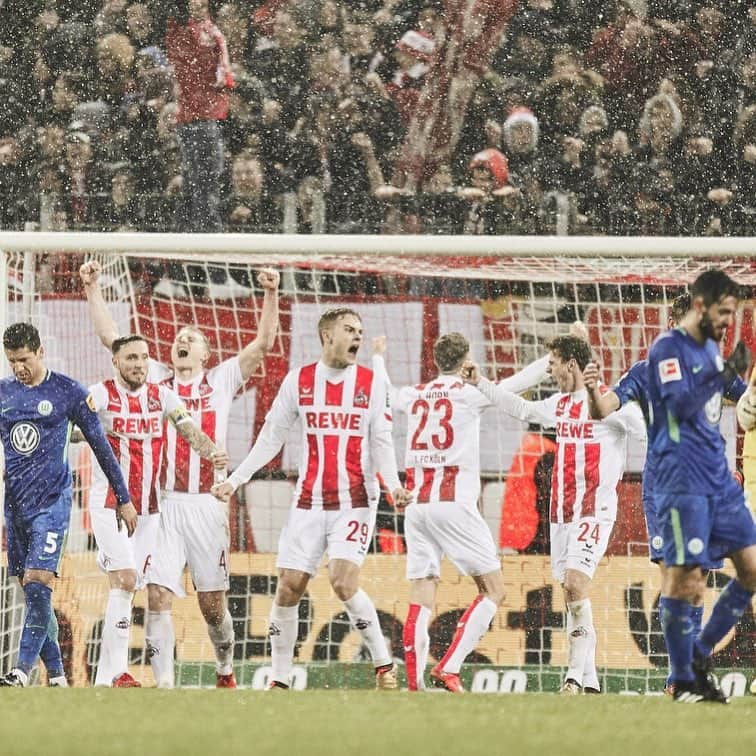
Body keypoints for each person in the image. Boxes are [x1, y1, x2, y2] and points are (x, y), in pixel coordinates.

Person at [79, 260, 279, 688]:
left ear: (207, 354)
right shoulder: (157, 380)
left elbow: (262, 345)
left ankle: (225, 668)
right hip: (163, 505)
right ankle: (165, 687)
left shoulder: (221, 380)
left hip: (206, 506)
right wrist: (93, 288)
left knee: (212, 605)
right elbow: (111, 339)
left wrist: (270, 293)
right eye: (178, 338)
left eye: (193, 339)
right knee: (156, 595)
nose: (182, 340)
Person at [212, 308, 411, 690]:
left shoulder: (371, 384)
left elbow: (382, 443)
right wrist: (235, 480)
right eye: (349, 330)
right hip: (308, 501)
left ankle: (384, 665)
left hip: (355, 499)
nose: (357, 337)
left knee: (341, 581)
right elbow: (271, 438)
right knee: (289, 586)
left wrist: (392, 485)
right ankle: (280, 679)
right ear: (326, 335)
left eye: (360, 331)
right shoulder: (299, 381)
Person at [583, 291, 748, 695]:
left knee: (699, 583)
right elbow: (603, 409)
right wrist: (590, 389)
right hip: (667, 488)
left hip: (710, 488)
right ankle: (679, 678)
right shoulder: (649, 369)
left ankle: (691, 666)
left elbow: (747, 400)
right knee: (678, 578)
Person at [462, 335, 645, 694]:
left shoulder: (616, 407)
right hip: (561, 516)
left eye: (554, 364)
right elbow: (520, 408)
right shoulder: (559, 405)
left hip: (594, 512)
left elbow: (652, 439)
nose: (551, 371)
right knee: (571, 590)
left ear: (571, 365)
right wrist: (481, 382)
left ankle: (573, 678)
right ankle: (590, 679)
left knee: (576, 583)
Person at [372, 332, 548, 693]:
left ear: (436, 361)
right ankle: (449, 667)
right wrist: (554, 359)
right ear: (465, 358)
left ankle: (414, 684)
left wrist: (377, 358)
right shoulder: (470, 392)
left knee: (422, 591)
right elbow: (519, 382)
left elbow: (384, 392)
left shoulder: (416, 394)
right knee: (494, 590)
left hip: (418, 506)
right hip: (455, 505)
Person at [85, 334, 227, 688]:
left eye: (144, 357)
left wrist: (212, 453)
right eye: (131, 358)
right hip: (110, 504)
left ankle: (106, 678)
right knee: (126, 580)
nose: (138, 364)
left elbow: (189, 429)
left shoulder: (162, 396)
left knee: (129, 587)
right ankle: (117, 673)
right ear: (115, 362)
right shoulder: (101, 394)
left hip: (149, 509)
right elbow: (79, 422)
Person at [0, 323, 137, 688]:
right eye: (12, 361)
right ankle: (58, 676)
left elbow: (101, 446)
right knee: (31, 593)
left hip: (52, 504)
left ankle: (20, 671)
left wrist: (123, 499)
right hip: (14, 510)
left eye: (24, 359)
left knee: (37, 583)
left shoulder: (67, 391)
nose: (18, 368)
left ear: (40, 351)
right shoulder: (3, 394)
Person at [645, 269, 756, 704]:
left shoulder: (711, 348)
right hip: (682, 481)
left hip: (718, 479)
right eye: (724, 312)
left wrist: (739, 385)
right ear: (700, 306)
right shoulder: (667, 349)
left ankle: (700, 655)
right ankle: (684, 682)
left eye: (734, 312)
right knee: (686, 580)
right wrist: (722, 373)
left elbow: (734, 400)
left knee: (751, 569)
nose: (730, 321)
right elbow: (679, 406)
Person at [166, 0, 234, 233]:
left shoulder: (190, 33)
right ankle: (209, 253)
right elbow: (220, 78)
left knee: (194, 186)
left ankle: (181, 250)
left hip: (195, 118)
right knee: (204, 189)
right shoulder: (200, 35)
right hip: (201, 120)